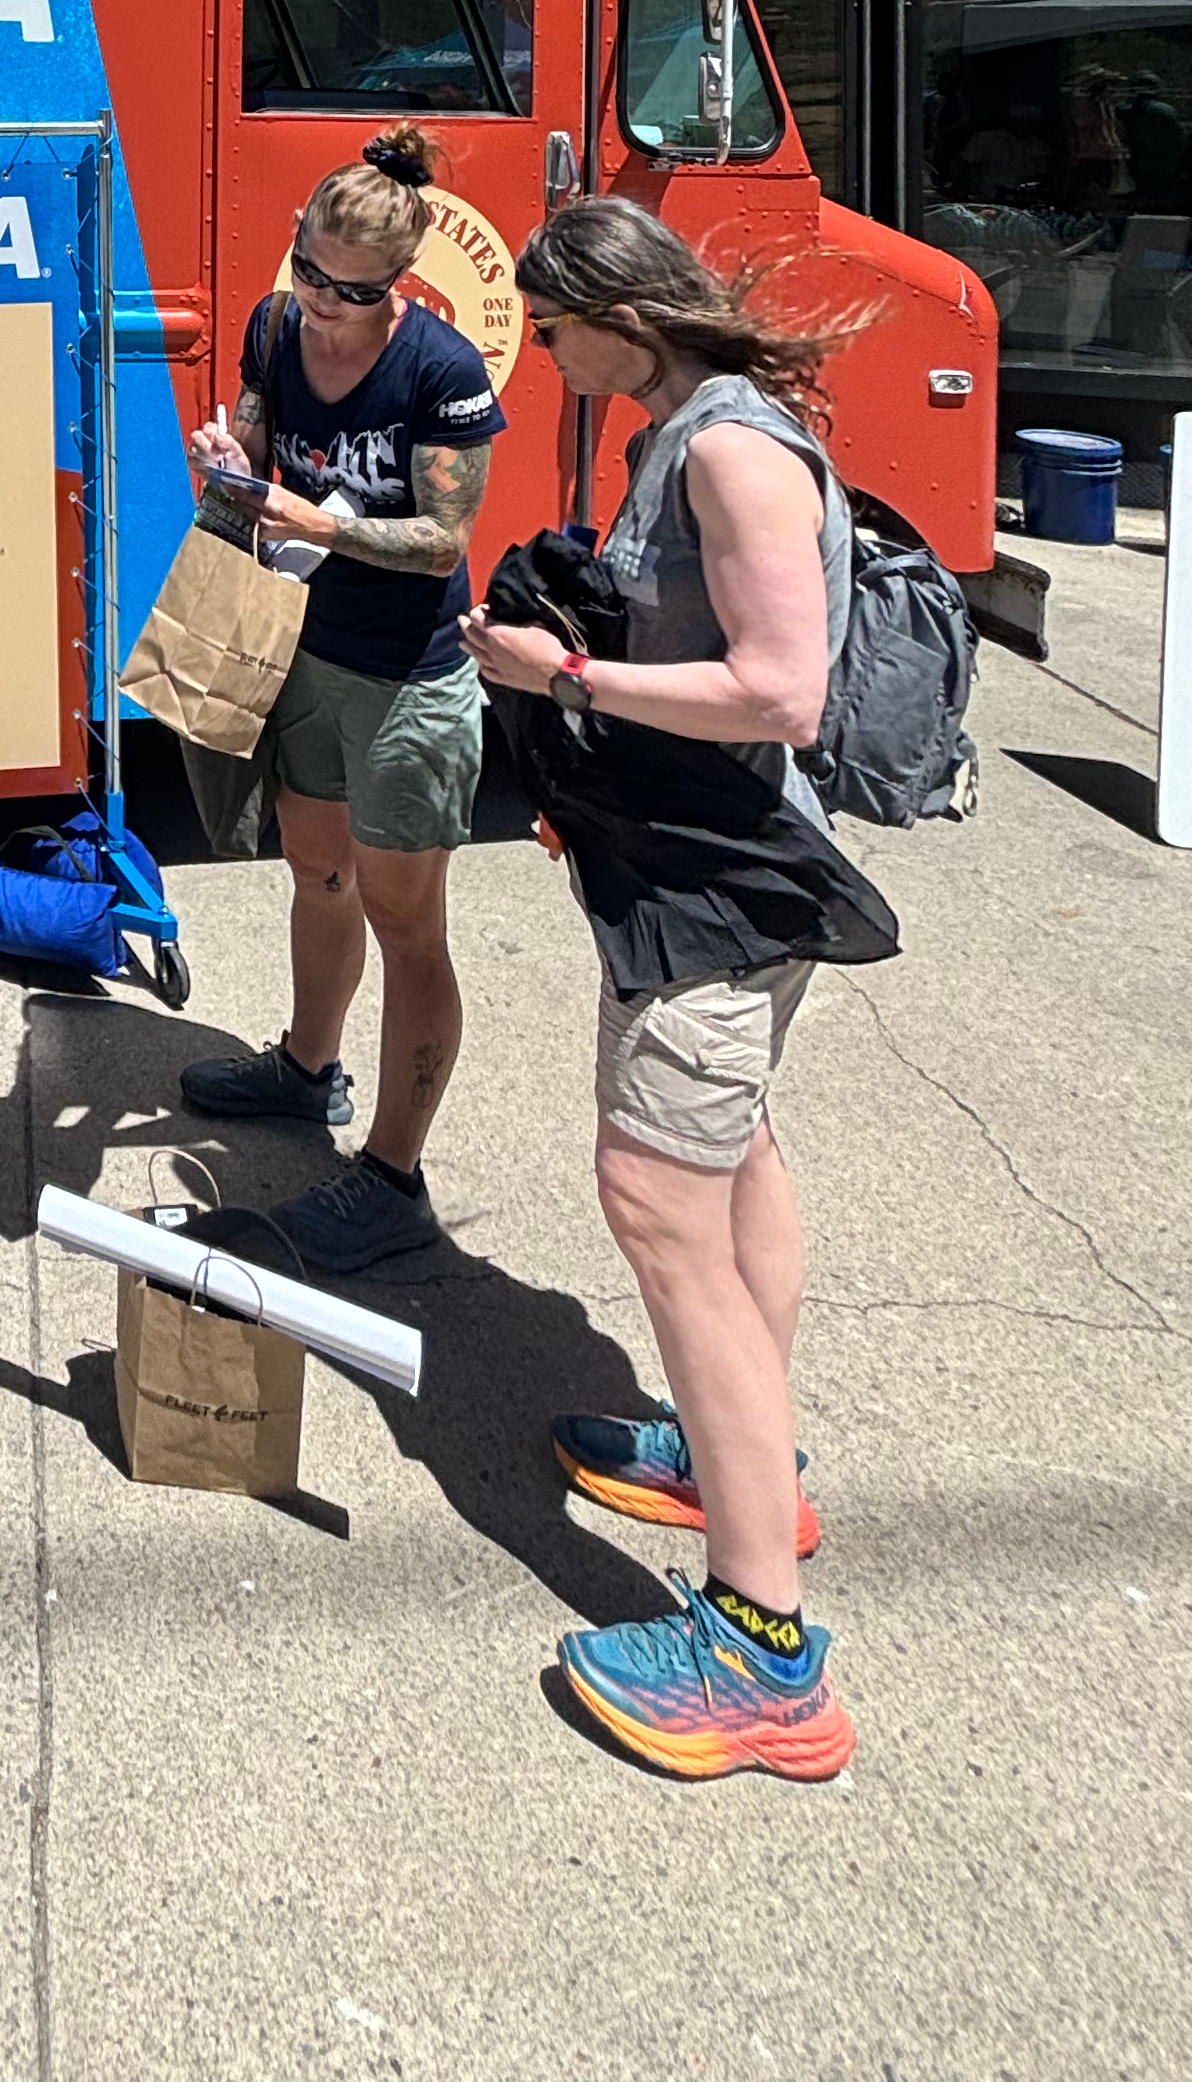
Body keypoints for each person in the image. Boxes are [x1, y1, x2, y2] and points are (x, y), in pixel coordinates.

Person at [461, 193, 864, 1786]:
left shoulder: (726, 448)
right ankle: (726, 1459)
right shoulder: (688, 427)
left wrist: (561, 676)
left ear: (619, 316)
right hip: (700, 871)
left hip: (721, 884)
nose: (552, 364)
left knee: (659, 1203)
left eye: (556, 334)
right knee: (735, 1161)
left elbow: (782, 685)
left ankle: (764, 1653)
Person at [177, 124, 502, 1274]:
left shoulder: (442, 373)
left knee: (410, 926)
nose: (317, 301)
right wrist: (227, 458)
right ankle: (306, 1070)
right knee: (316, 875)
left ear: (396, 287)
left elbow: (445, 541)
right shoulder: (274, 326)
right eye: (304, 270)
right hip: (304, 654)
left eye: (346, 290)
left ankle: (394, 1175)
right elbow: (257, 449)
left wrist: (328, 524)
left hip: (407, 677)